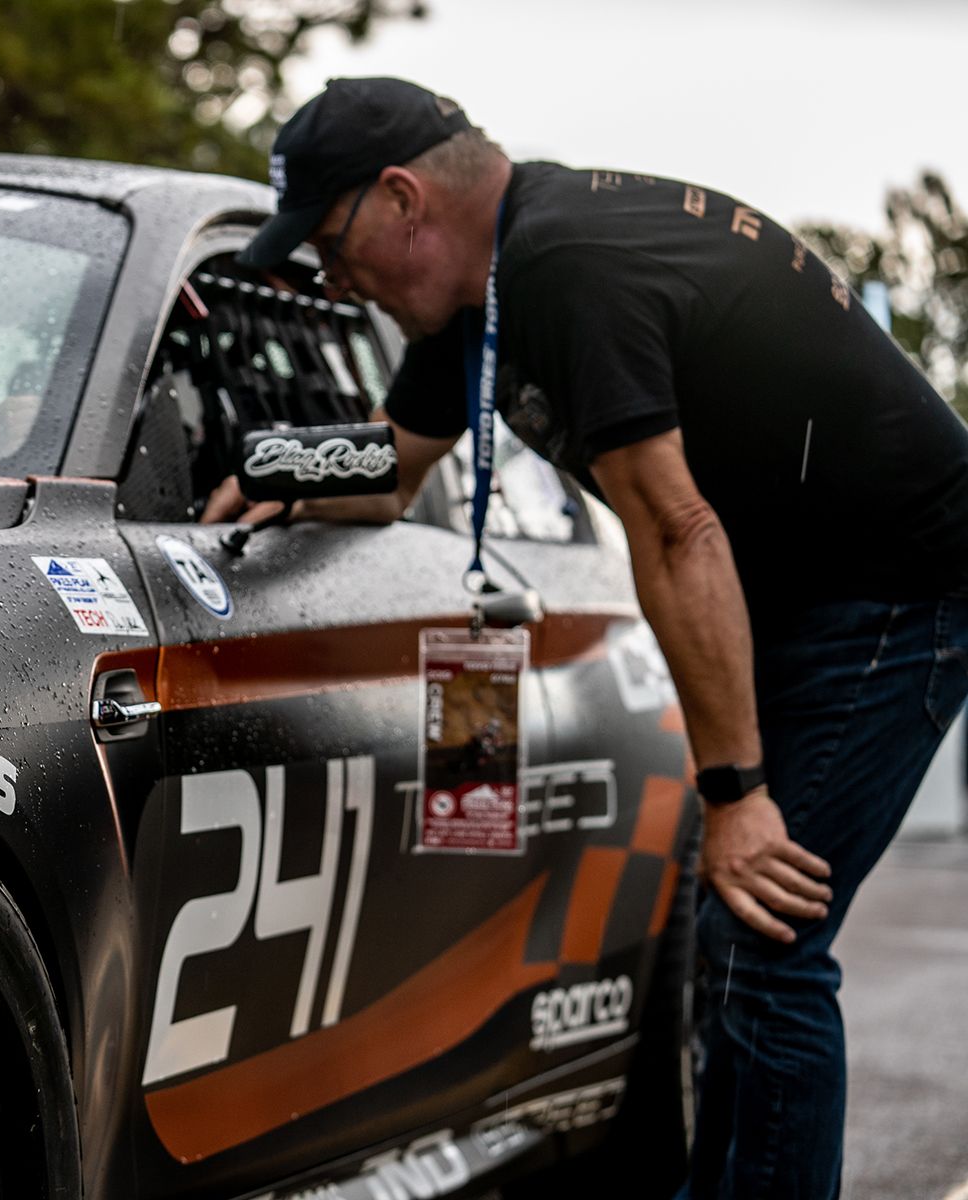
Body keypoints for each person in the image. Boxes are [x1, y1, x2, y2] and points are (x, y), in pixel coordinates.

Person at [217, 76, 968, 1199]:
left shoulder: (566, 264)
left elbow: (675, 527)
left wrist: (736, 796)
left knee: (765, 934)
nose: (335, 280)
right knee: (738, 938)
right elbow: (392, 471)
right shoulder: (484, 297)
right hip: (801, 588)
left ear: (404, 199)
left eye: (332, 244)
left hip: (896, 589)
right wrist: (269, 469)